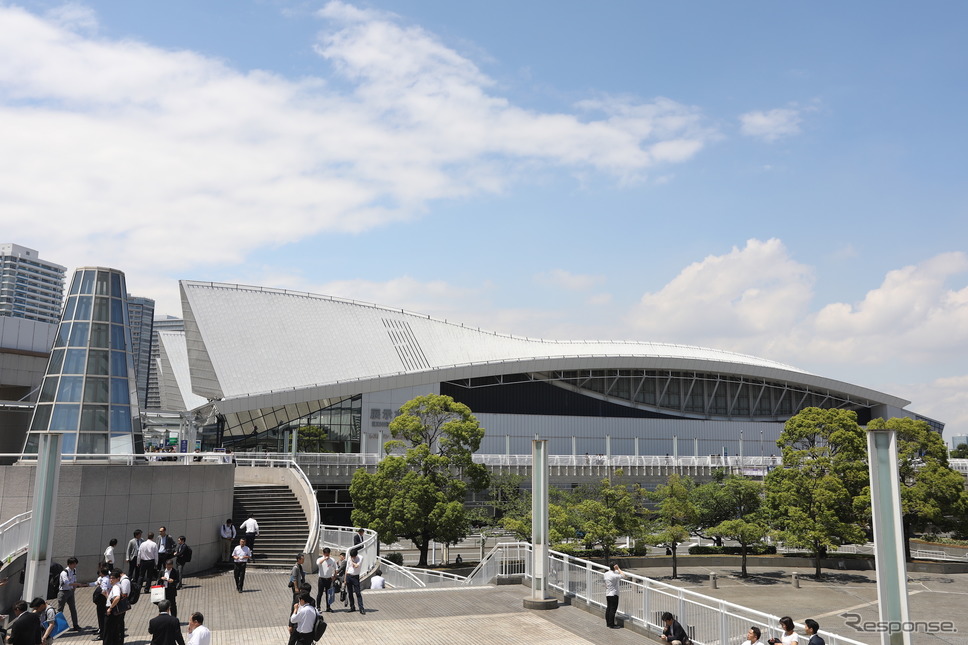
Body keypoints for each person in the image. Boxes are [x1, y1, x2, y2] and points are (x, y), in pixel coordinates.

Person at [57, 556, 83, 631]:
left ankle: (75, 625)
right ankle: (58, 626)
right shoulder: (64, 573)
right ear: (69, 564)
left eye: (75, 564)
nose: (75, 566)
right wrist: (76, 584)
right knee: (60, 610)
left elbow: (74, 579)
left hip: (71, 592)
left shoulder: (74, 570)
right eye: (74, 564)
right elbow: (67, 583)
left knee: (73, 609)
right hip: (63, 592)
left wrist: (74, 588)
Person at [103, 571, 125, 645]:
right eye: (110, 578)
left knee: (108, 631)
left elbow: (117, 598)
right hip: (115, 611)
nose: (111, 580)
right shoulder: (118, 586)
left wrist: (110, 608)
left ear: (118, 578)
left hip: (111, 611)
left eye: (113, 578)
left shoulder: (116, 587)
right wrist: (107, 596)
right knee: (114, 630)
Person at [603, 563, 627, 629]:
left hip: (608, 593)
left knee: (608, 608)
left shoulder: (606, 574)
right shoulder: (614, 576)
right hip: (614, 594)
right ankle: (612, 624)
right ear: (614, 567)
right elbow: (624, 576)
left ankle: (608, 623)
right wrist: (618, 569)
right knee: (613, 610)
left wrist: (615, 569)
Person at [92, 564, 111, 641]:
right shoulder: (108, 578)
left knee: (101, 617)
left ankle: (102, 634)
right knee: (103, 617)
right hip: (105, 600)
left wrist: (107, 597)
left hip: (102, 601)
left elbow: (104, 591)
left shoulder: (104, 580)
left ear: (102, 573)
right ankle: (103, 632)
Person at [344, 547, 365, 615]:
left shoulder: (360, 558)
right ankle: (352, 606)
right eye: (351, 556)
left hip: (355, 577)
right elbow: (347, 569)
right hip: (349, 576)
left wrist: (352, 561)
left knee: (358, 593)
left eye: (353, 556)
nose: (352, 557)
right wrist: (345, 579)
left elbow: (356, 566)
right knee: (350, 593)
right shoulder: (349, 558)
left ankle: (361, 608)